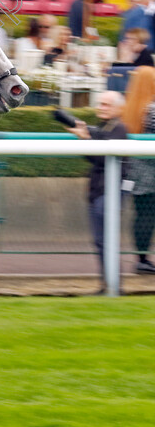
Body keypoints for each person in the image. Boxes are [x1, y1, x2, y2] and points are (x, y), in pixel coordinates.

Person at [65, 91, 128, 290]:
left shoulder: (119, 129)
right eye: (100, 104)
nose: (101, 107)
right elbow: (95, 158)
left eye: (106, 104)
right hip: (98, 192)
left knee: (106, 241)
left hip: (108, 193)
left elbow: (102, 158)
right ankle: (108, 284)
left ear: (119, 109)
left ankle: (113, 285)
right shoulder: (105, 128)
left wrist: (85, 140)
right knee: (101, 241)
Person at [121, 66, 155, 274]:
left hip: (135, 170)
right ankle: (142, 260)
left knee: (142, 214)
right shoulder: (151, 109)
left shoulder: (130, 108)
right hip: (150, 171)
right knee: (148, 216)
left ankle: (141, 257)